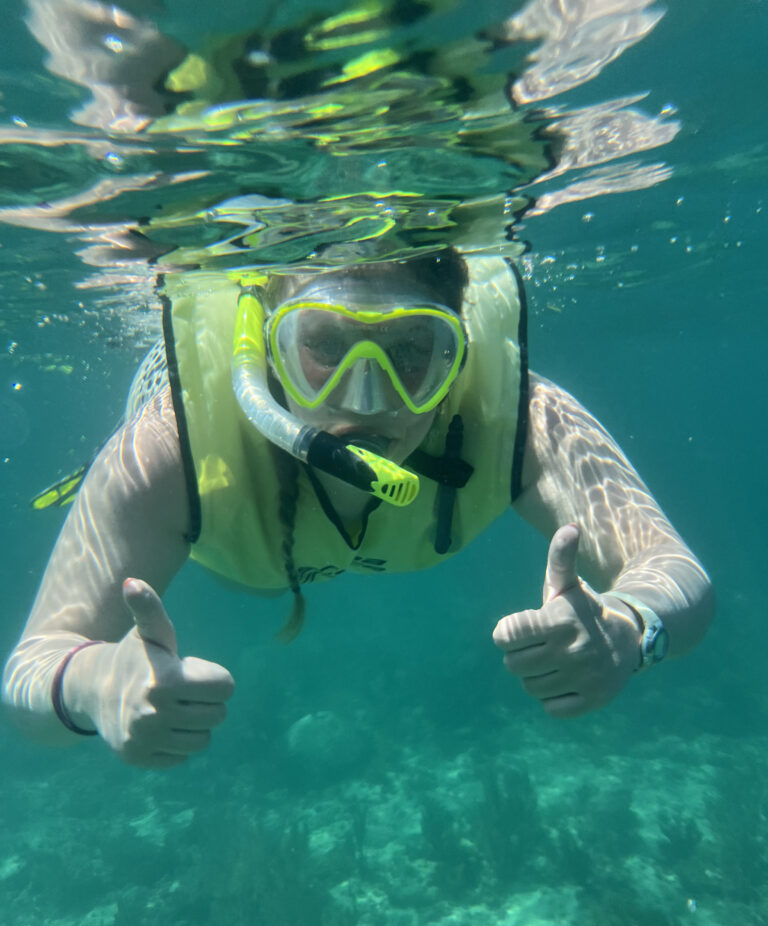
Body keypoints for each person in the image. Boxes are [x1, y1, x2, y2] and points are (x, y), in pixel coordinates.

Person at [2, 249, 713, 768]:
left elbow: (676, 571)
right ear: (270, 350)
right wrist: (96, 686)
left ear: (456, 356)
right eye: (323, 345)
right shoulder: (169, 448)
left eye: (412, 349)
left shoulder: (521, 420)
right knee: (239, 569)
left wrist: (631, 629)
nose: (365, 398)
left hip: (261, 541)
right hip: (236, 539)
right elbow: (29, 669)